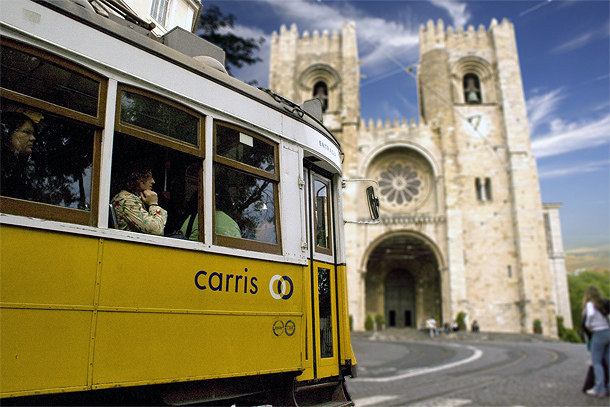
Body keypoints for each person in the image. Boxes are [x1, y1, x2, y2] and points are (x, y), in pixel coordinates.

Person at [111, 164, 167, 236]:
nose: (153, 181)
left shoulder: (127, 197)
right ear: (138, 179)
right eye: (149, 177)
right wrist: (154, 204)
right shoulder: (127, 200)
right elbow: (156, 230)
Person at [1, 111, 37, 199]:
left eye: (32, 134)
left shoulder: (23, 167)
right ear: (9, 134)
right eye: (26, 132)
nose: (33, 138)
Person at [582, 285, 610, 397]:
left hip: (598, 333)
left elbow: (590, 314)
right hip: (608, 332)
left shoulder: (590, 304)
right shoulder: (604, 303)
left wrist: (588, 325)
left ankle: (599, 388)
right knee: (608, 361)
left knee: (596, 362)